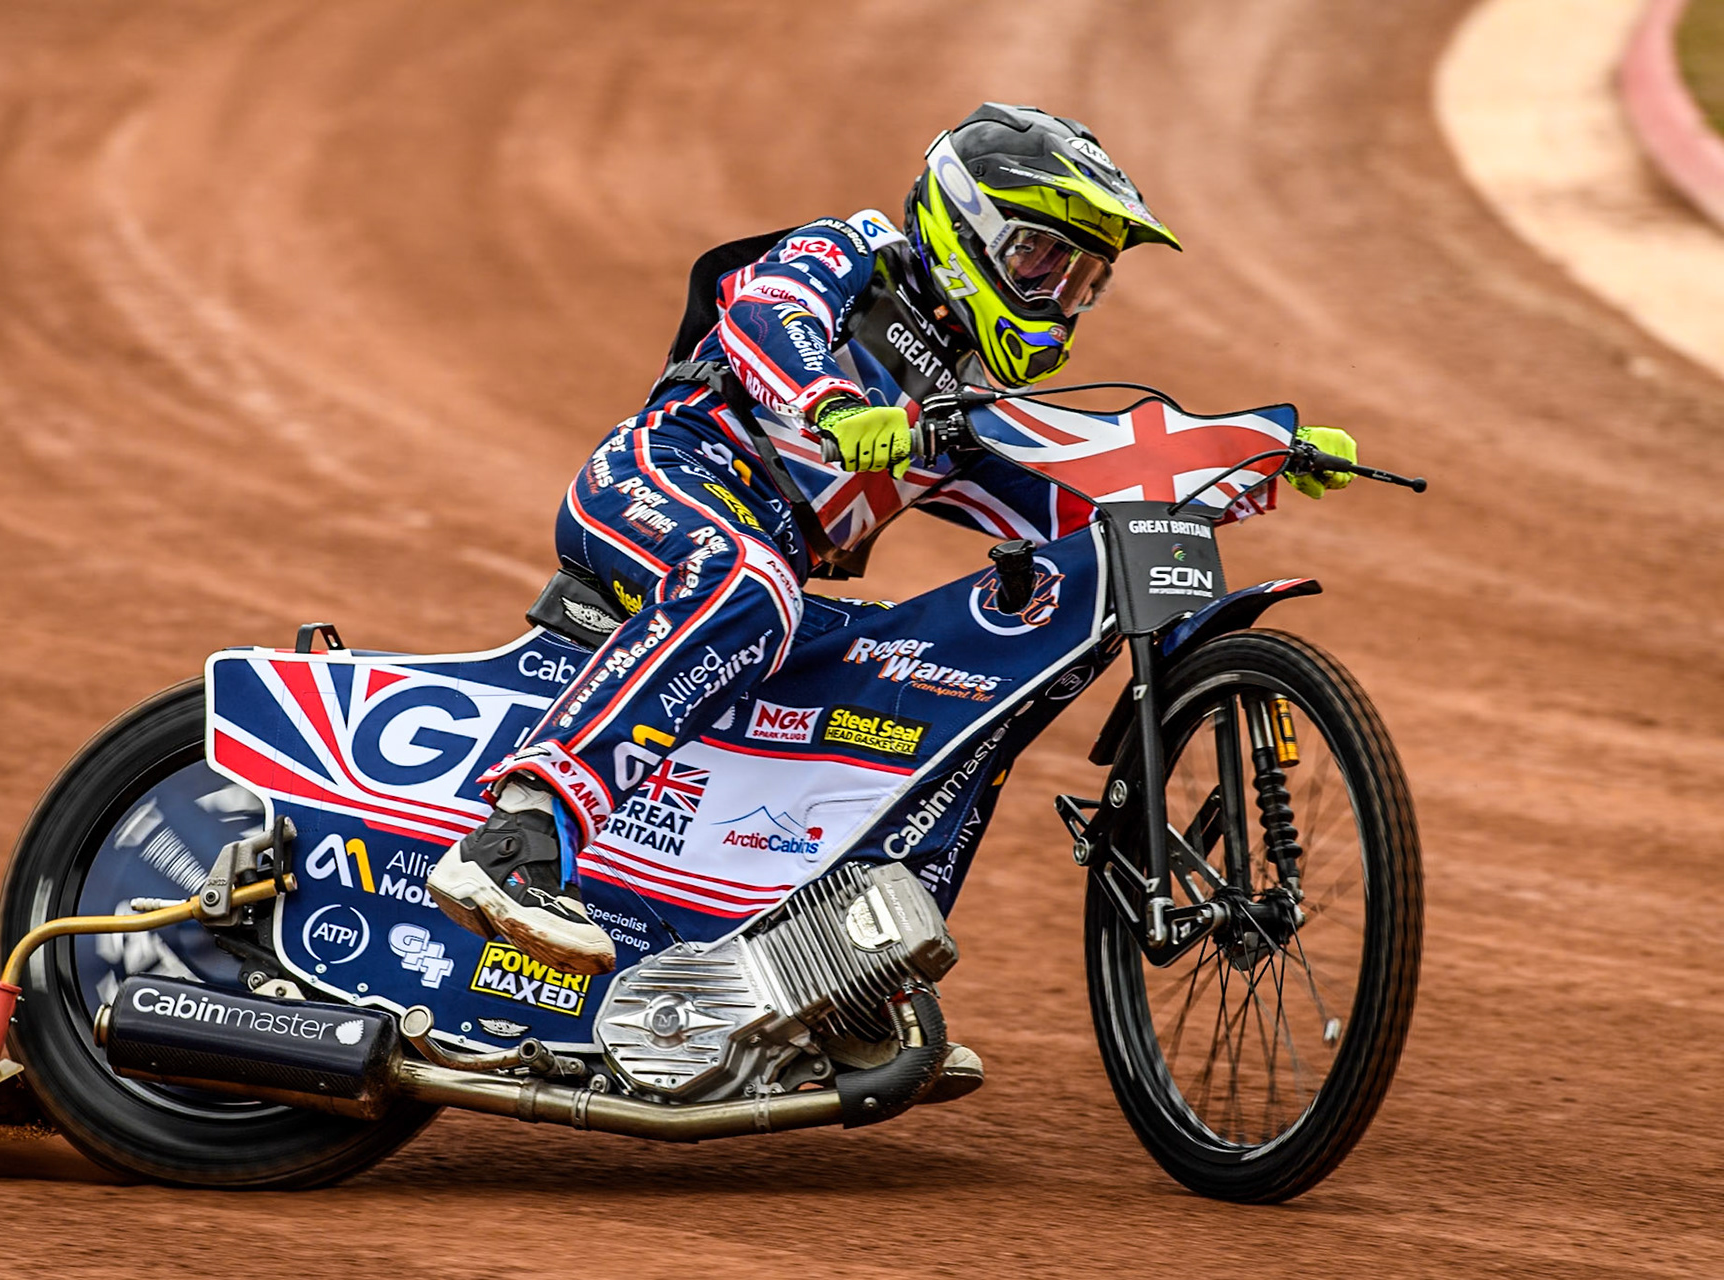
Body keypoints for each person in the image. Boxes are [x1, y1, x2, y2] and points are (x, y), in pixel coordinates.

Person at [427, 103, 1358, 975]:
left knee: (911, 666)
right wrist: (832, 402)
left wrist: (1247, 467)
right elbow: (764, 315)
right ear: (967, 228)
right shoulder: (856, 251)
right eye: (1038, 261)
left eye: (1082, 282)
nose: (1056, 295)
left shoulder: (966, 406)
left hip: (767, 582)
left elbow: (1083, 507)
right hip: (652, 480)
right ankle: (517, 837)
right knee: (749, 583)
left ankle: (827, 965)